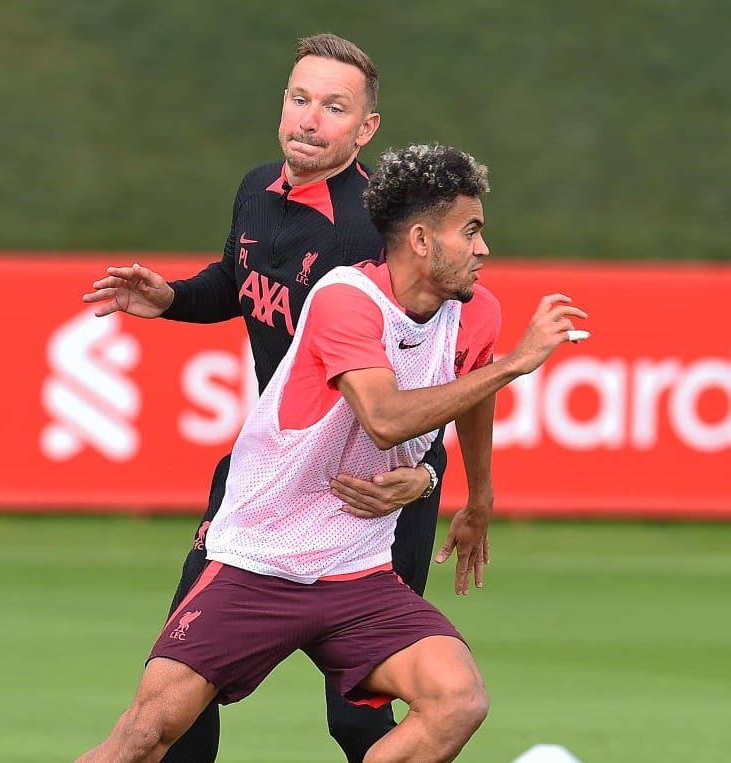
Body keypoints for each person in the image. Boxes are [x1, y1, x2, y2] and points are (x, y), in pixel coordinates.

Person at [72, 142, 589, 763]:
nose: (484, 248)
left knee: (457, 700)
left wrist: (478, 497)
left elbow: (474, 393)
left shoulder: (476, 312)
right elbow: (384, 419)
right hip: (259, 559)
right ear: (422, 241)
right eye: (471, 231)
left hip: (356, 569)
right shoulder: (345, 298)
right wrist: (519, 363)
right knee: (144, 737)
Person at [83, 34, 493, 762]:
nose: (309, 119)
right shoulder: (257, 189)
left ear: (365, 129)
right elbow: (240, 282)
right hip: (272, 482)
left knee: (362, 715)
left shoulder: (375, 235)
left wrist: (432, 477)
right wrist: (175, 296)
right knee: (176, 705)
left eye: (334, 107)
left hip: (371, 493)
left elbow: (435, 362)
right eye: (299, 99)